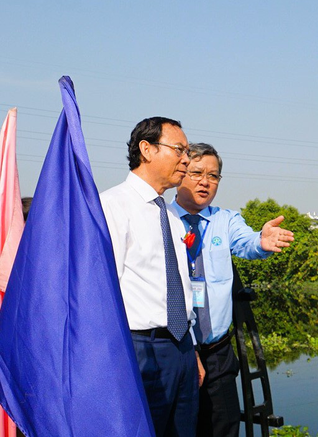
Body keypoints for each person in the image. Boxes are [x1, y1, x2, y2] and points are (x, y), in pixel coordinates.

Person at [170, 143, 294, 437]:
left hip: (217, 353)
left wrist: (262, 243)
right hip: (175, 352)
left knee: (223, 429)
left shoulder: (226, 220)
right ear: (180, 173)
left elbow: (248, 242)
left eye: (213, 176)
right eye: (197, 172)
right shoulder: (160, 218)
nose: (205, 181)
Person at [100, 117, 205, 437]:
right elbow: (104, 292)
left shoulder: (170, 213)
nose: (186, 160)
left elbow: (179, 287)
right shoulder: (112, 206)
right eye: (179, 150)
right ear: (146, 149)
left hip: (182, 348)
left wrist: (192, 350)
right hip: (139, 349)